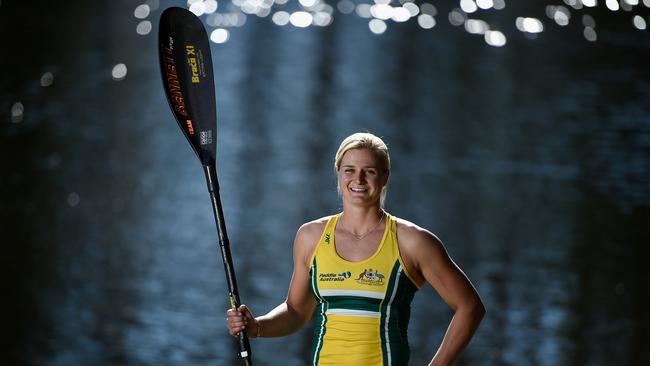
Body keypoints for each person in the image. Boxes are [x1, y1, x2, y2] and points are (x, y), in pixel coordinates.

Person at [226, 132, 485, 365]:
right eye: (349, 170)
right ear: (338, 174)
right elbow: (296, 311)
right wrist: (256, 326)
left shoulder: (412, 241)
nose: (358, 179)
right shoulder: (311, 236)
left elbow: (470, 307)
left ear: (384, 177)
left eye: (369, 171)